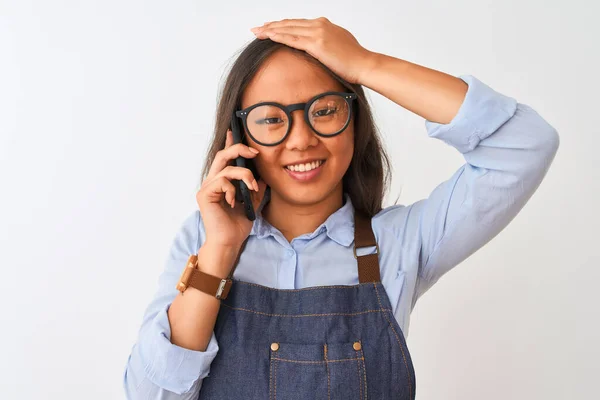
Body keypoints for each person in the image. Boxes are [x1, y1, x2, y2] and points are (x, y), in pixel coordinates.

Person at [123, 17, 560, 399]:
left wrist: (365, 64)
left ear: (355, 120)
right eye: (272, 119)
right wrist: (219, 251)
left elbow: (523, 144)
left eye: (325, 110)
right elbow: (151, 396)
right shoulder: (202, 239)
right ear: (239, 138)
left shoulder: (400, 243)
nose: (301, 139)